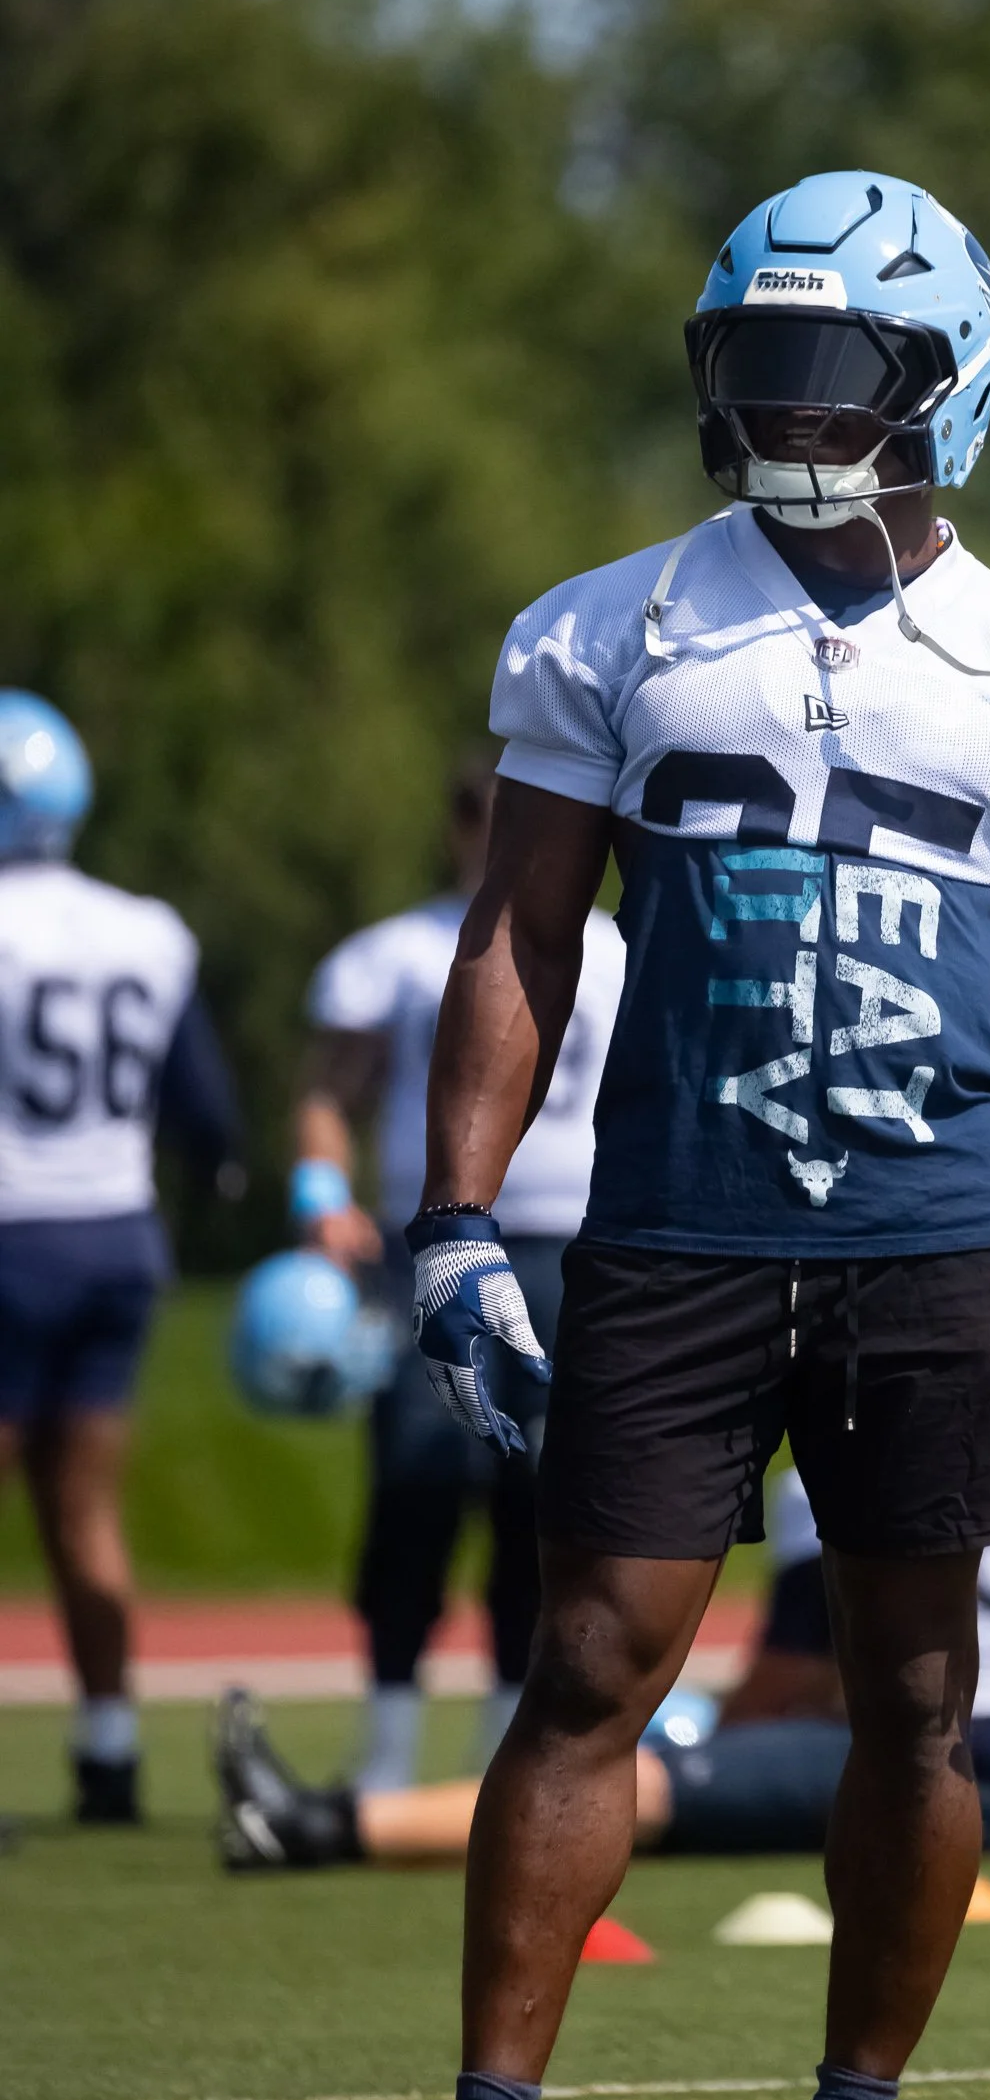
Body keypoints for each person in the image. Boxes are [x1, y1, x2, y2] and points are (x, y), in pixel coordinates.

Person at [406, 170, 990, 2100]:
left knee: (915, 1695)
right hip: (680, 1218)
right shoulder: (606, 630)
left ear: (950, 381)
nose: (786, 406)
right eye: (756, 361)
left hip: (938, 1235)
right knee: (590, 1663)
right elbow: (518, 934)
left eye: (833, 366)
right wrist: (456, 1221)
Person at [212, 1463, 990, 1868]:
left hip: (982, 1755)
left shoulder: (831, 1478)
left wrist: (710, 1755)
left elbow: (782, 1684)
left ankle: (319, 1827)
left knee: (625, 1777)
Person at [294, 758, 625, 1787]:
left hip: (574, 1245)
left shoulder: (620, 948)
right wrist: (321, 1196)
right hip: (439, 1240)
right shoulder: (395, 954)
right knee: (417, 1487)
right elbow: (329, 1089)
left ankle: (504, 1742)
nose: (497, 834)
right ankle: (389, 1744)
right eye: (482, 817)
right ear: (455, 827)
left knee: (541, 1501)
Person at [0, 691, 246, 1822]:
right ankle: (109, 1749)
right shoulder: (145, 929)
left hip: (11, 1230)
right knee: (84, 1507)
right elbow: (207, 1113)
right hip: (114, 1235)